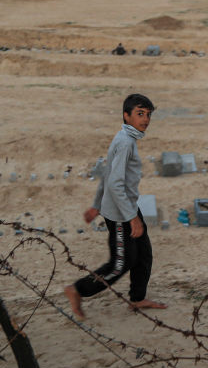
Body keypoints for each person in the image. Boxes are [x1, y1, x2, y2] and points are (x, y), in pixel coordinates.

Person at [64, 93, 166, 320]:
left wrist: (96, 205)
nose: (146, 119)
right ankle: (77, 290)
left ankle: (138, 298)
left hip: (126, 208)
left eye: (148, 115)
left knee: (144, 255)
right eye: (140, 114)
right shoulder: (125, 142)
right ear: (126, 115)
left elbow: (107, 174)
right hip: (122, 214)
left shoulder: (125, 138)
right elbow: (115, 182)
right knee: (121, 263)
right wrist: (132, 217)